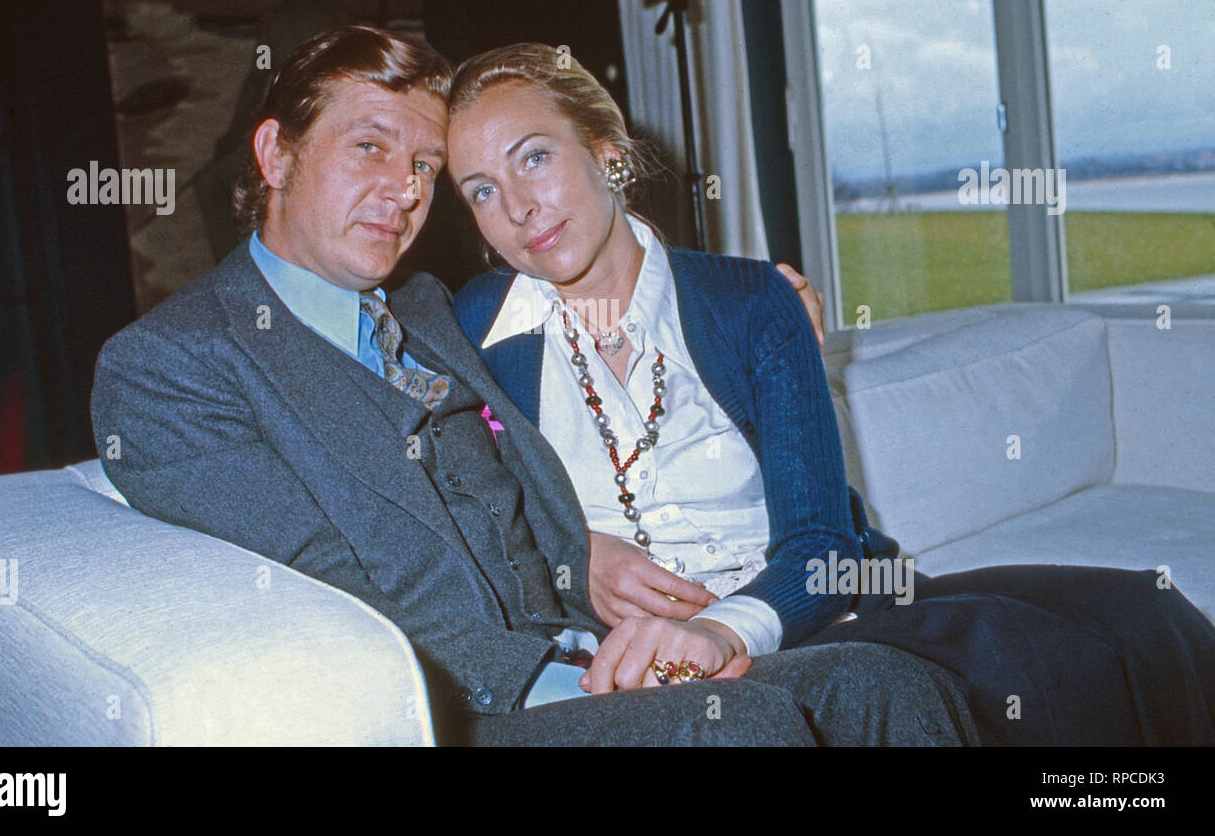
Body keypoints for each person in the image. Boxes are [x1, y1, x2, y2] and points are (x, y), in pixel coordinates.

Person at [90, 24, 983, 746]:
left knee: (888, 687)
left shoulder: (433, 312)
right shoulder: (174, 365)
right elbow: (326, 595)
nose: (400, 191)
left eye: (424, 170)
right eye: (368, 147)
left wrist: (762, 315)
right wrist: (574, 677)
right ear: (275, 155)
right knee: (737, 725)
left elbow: (534, 449)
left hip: (581, 654)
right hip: (456, 706)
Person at [446, 42, 1215, 744]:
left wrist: (724, 631)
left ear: (606, 155)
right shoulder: (472, 329)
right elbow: (433, 503)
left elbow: (821, 546)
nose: (516, 208)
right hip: (615, 669)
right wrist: (568, 553)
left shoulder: (751, 302)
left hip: (794, 620)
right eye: (481, 191)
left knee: (1136, 626)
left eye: (534, 158)